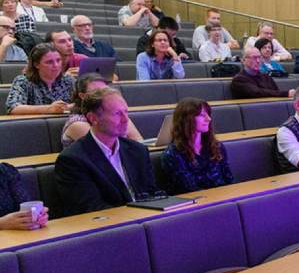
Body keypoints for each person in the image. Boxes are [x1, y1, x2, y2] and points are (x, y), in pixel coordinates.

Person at [55, 87, 159, 216]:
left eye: (126, 112)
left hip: (146, 219)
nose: (126, 119)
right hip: (110, 228)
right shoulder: (73, 159)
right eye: (117, 114)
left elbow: (152, 194)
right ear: (93, 118)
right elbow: (91, 210)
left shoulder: (137, 151)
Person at [160, 98, 235, 194]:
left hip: (221, 199)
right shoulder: (172, 155)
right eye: (202, 115)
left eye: (208, 114)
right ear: (187, 119)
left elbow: (229, 180)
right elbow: (190, 189)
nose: (208, 119)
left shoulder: (217, 147)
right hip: (196, 205)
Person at [61, 73, 143, 149]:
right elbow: (107, 151)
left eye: (106, 91)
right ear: (82, 96)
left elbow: (139, 145)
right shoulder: (77, 123)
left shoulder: (120, 116)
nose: (104, 95)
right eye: (97, 92)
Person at [5, 43, 75, 115]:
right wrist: (49, 109)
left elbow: (83, 101)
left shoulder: (68, 80)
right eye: (49, 62)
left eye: (58, 60)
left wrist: (66, 107)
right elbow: (13, 108)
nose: (56, 65)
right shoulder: (23, 81)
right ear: (36, 65)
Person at [230, 47, 295, 98]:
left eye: (259, 57)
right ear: (244, 60)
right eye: (254, 58)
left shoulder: (266, 76)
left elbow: (275, 92)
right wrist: (285, 93)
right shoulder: (239, 80)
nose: (258, 61)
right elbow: (257, 92)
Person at [0, 163, 49, 230]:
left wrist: (36, 216)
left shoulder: (5, 171)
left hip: (16, 236)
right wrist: (1, 224)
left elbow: (24, 205)